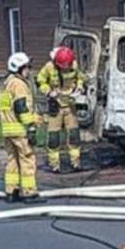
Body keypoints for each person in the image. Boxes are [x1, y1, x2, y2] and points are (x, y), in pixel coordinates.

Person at [0, 52, 41, 202]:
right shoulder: (19, 84)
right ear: (19, 68)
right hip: (20, 129)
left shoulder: (6, 83)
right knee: (28, 159)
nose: (29, 70)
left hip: (8, 130)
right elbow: (21, 107)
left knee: (13, 160)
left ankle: (11, 191)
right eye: (26, 67)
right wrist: (31, 126)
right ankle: (29, 192)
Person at [36, 45, 85, 173]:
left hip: (70, 104)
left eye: (68, 66)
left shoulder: (74, 65)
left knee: (74, 135)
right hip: (56, 105)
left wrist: (79, 87)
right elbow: (40, 81)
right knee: (53, 137)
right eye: (64, 67)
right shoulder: (49, 67)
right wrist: (48, 92)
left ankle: (76, 163)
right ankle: (55, 165)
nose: (66, 68)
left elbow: (80, 77)